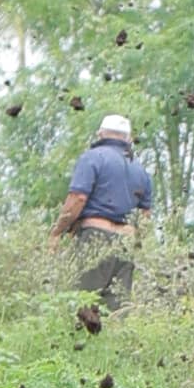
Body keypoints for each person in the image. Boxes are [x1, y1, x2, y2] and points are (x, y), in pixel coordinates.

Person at [53, 111, 153, 300]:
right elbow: (145, 216)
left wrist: (58, 232)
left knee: (82, 305)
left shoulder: (92, 158)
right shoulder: (141, 171)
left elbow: (78, 198)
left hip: (96, 238)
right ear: (129, 139)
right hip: (127, 244)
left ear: (100, 134)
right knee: (115, 314)